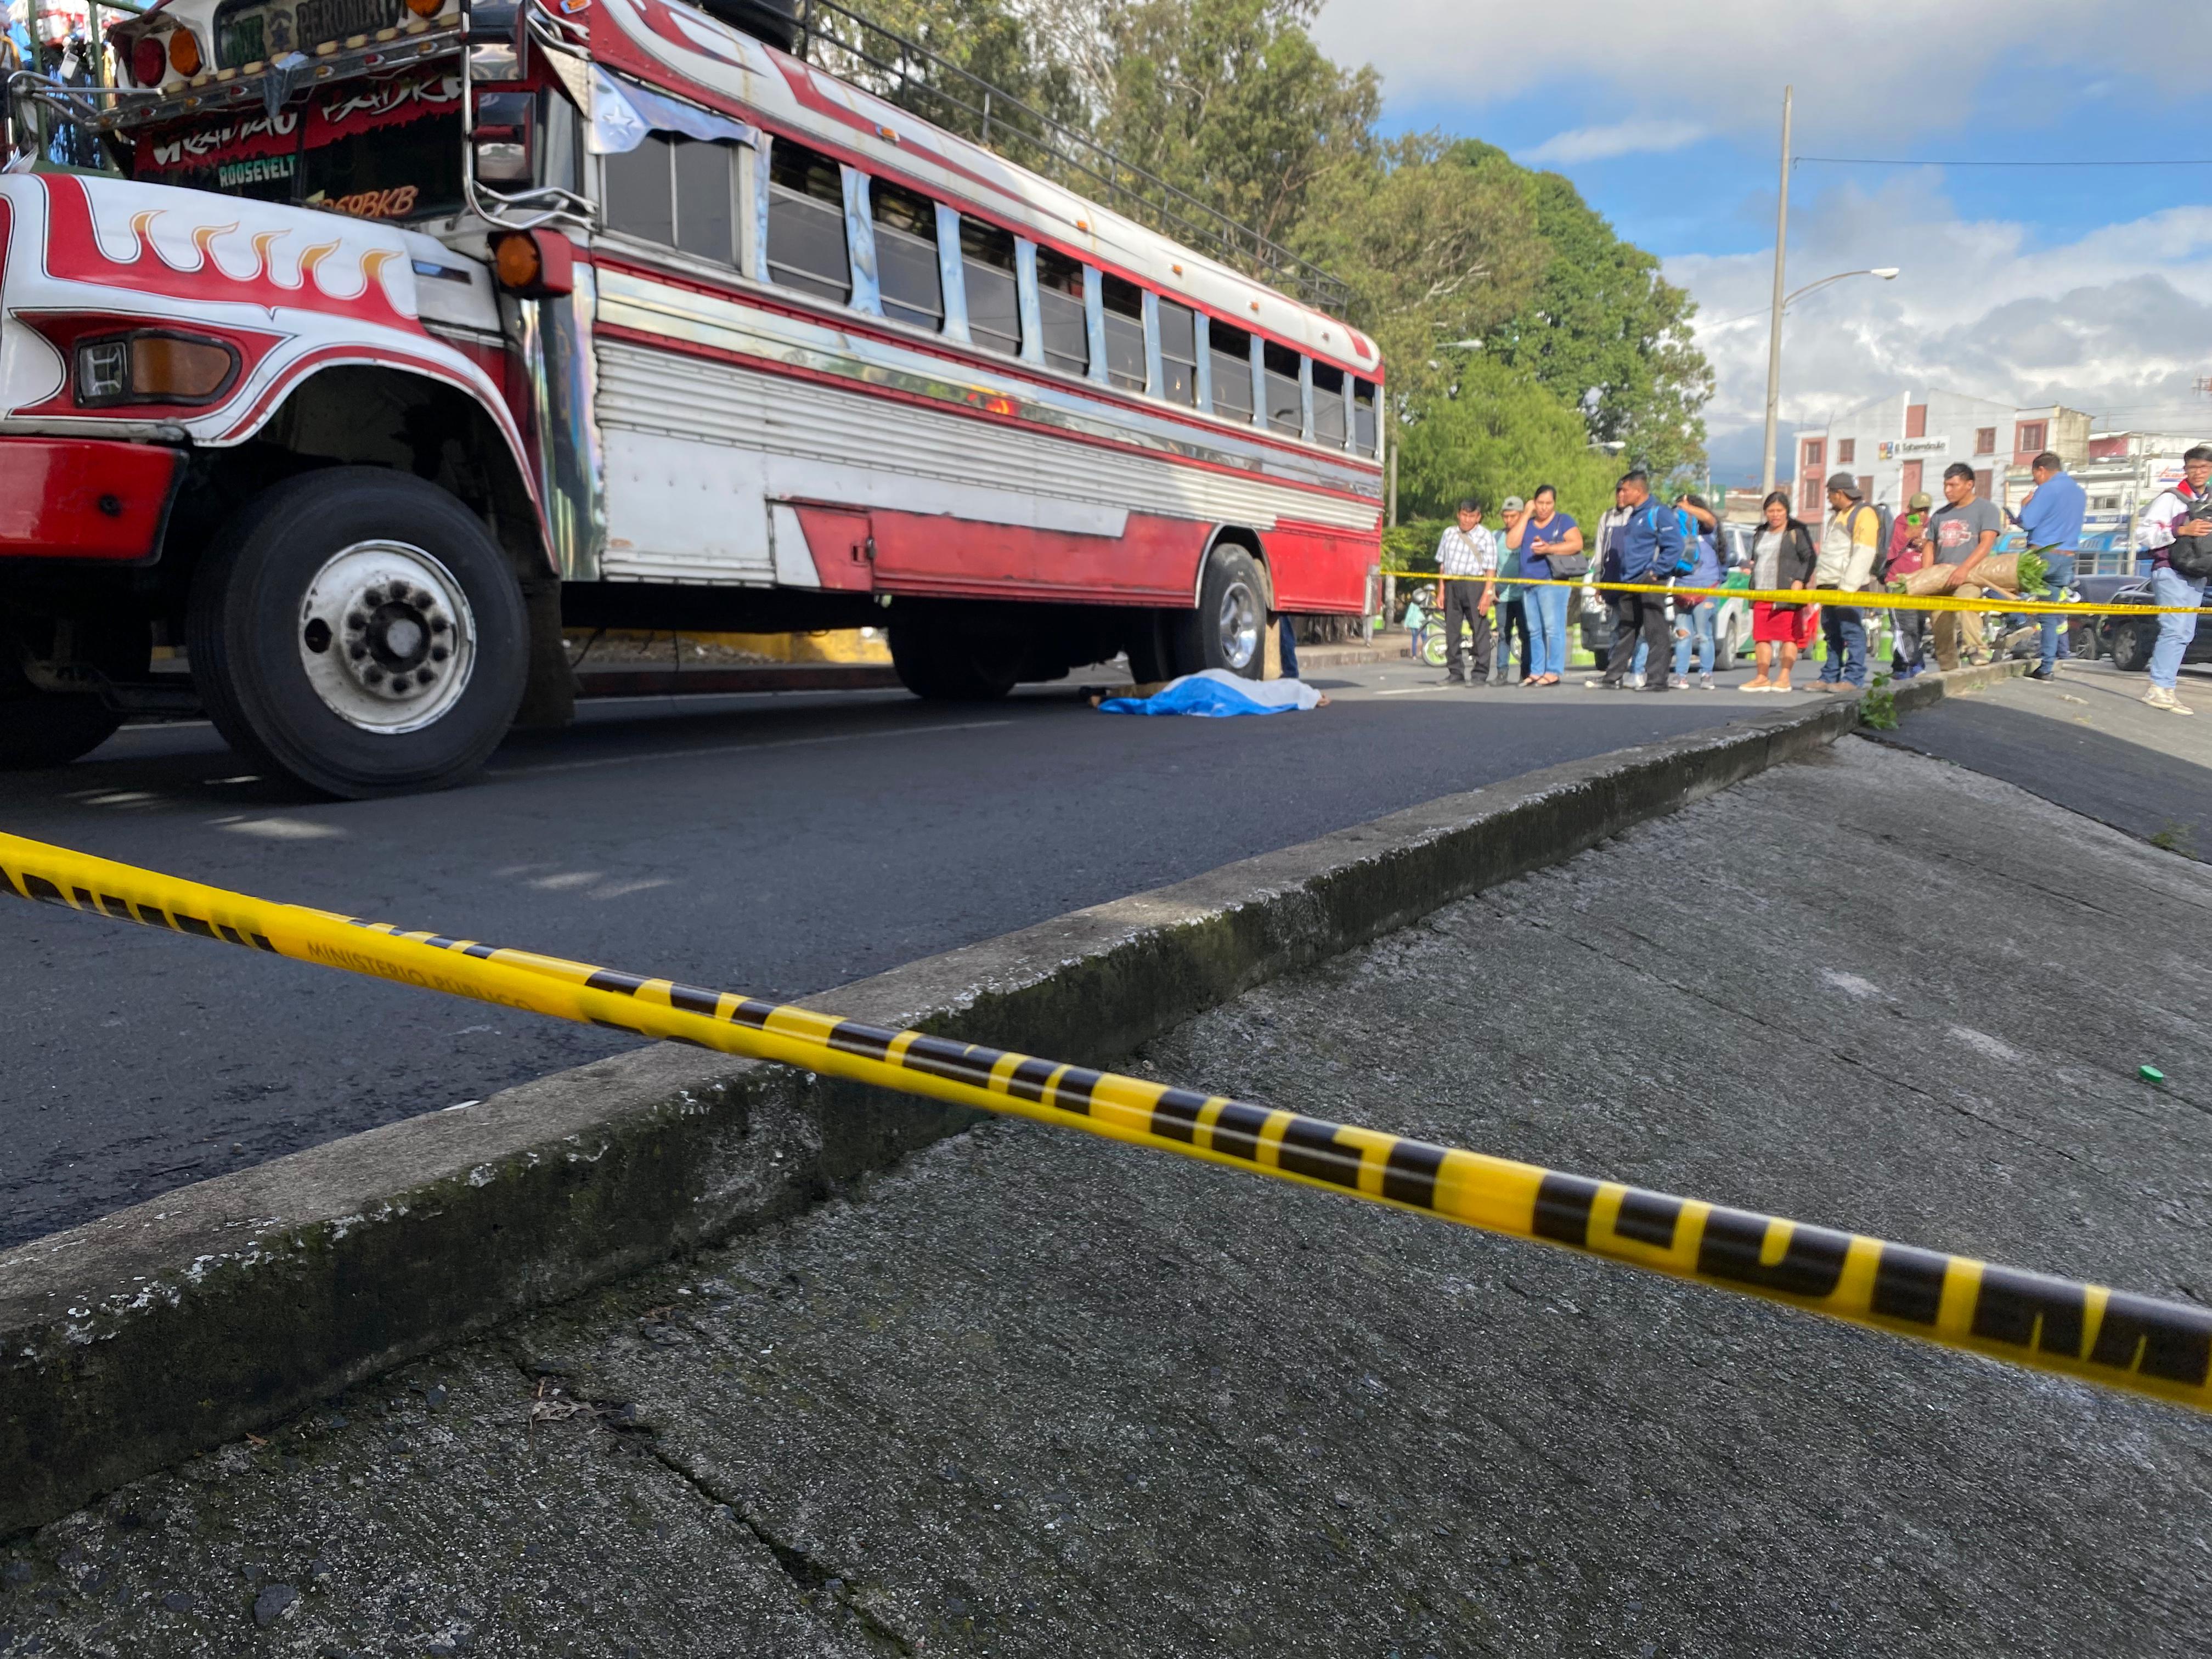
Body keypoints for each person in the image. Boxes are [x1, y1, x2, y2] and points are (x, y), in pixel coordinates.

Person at [2132, 443, 2212, 714]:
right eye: (2193, 468)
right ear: (2185, 470)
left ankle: (2166, 689)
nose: (2198, 472)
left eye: (2204, 467)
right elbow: (2144, 535)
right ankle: (2158, 687)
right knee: (2175, 629)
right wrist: (2181, 530)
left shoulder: (2209, 499)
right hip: (2169, 570)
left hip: (2197, 574)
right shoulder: (2171, 498)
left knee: (2185, 633)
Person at [1587, 470, 1683, 691]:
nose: (1622, 494)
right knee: (1626, 629)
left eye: (1626, 490)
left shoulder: (1658, 513)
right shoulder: (1635, 514)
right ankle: (1613, 677)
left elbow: (1675, 545)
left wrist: (1657, 572)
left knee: (1655, 630)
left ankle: (1657, 680)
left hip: (1649, 580)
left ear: (1638, 491)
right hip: (1629, 581)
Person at [2011, 450, 2086, 682]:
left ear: (2041, 470)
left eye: (2035, 476)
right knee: (2050, 616)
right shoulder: (2078, 492)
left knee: (2005, 588)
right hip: (2067, 558)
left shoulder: (2047, 489)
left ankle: (2015, 631)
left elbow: (2028, 522)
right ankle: (2047, 667)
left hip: (2042, 555)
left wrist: (2024, 506)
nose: (2035, 481)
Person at [1921, 462, 2002, 671]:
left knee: (1967, 602)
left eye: (1953, 485)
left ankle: (1977, 650)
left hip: (1971, 575)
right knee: (1939, 618)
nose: (1948, 490)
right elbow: (1930, 546)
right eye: (1946, 485)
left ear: (1969, 484)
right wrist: (1926, 576)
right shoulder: (1939, 515)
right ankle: (1947, 665)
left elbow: (1986, 543)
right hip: (1941, 577)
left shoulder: (1986, 509)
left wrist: (1964, 569)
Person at [1504, 484, 1581, 686]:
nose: (1544, 507)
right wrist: (1527, 512)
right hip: (1529, 584)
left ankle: (1554, 670)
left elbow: (1576, 544)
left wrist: (1549, 548)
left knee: (1553, 628)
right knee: (1534, 630)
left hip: (1553, 582)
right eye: (1540, 503)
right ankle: (1537, 671)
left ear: (1554, 503)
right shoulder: (1528, 523)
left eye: (1549, 503)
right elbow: (1511, 543)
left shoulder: (1563, 521)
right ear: (1534, 502)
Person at [1743, 489, 1818, 692]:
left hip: (1786, 592)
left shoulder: (1797, 531)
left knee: (1788, 637)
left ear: (1787, 511)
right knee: (1761, 636)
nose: (1775, 515)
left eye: (1779, 510)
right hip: (1761, 591)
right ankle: (1762, 677)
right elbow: (1756, 558)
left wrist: (1800, 580)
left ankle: (1784, 677)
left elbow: (1810, 557)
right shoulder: (1760, 532)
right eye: (1771, 511)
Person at [1814, 473, 1882, 690]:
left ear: (1839, 493)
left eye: (1829, 494)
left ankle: (1853, 679)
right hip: (1829, 584)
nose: (1828, 498)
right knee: (1832, 633)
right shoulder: (1839, 516)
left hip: (1847, 586)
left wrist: (1848, 587)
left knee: (1851, 633)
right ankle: (1830, 676)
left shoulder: (1864, 514)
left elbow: (1865, 551)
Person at [1432, 498, 1496, 685]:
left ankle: (1480, 673)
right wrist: (1441, 591)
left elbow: (1491, 569)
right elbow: (1443, 564)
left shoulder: (1486, 536)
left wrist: (1487, 594)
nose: (1467, 520)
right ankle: (1455, 672)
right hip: (1452, 583)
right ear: (1458, 514)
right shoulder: (1449, 533)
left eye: (1471, 516)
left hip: (1475, 584)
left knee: (1479, 630)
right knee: (1452, 630)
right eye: (1464, 515)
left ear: (1478, 517)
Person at [1672, 493, 1723, 689]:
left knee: (1704, 635)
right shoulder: (1679, 531)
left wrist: (1687, 507)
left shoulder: (1708, 530)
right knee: (1683, 635)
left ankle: (1706, 675)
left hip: (1707, 587)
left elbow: (1710, 519)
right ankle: (1680, 676)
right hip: (1682, 587)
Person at [1885, 490, 1934, 679]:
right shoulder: (1899, 524)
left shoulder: (1930, 526)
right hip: (1899, 582)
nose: (1921, 515)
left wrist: (1926, 545)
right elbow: (1888, 553)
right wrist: (1906, 536)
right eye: (1918, 510)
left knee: (1918, 626)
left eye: (1925, 511)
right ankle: (1915, 665)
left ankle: (1900, 667)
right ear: (1910, 509)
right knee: (1904, 627)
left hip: (1920, 584)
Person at [1491, 495, 1532, 684]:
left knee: (1526, 635)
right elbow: (1489, 565)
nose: (1509, 520)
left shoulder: (1528, 536)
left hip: (1524, 595)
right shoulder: (1496, 537)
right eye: (1505, 516)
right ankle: (1501, 673)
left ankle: (1527, 673)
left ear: (1522, 515)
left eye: (1513, 516)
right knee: (1503, 635)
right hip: (1502, 596)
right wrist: (1491, 589)